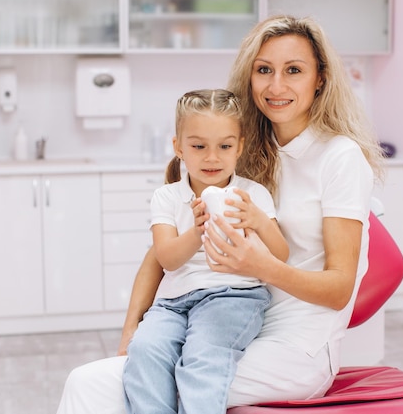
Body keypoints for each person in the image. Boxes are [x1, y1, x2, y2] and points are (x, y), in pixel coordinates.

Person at [56, 14, 385, 413]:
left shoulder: (340, 158)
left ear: (320, 78)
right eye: (264, 70)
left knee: (96, 387)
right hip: (221, 326)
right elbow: (159, 257)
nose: (276, 85)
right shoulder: (241, 155)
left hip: (296, 348)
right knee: (116, 374)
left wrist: (260, 265)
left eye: (293, 70)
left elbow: (338, 290)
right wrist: (132, 331)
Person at [122, 88, 288, 414]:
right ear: (179, 148)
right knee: (144, 349)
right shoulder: (167, 198)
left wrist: (260, 221)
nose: (212, 158)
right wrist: (197, 232)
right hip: (172, 303)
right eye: (199, 146)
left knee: (203, 357)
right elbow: (167, 258)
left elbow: (280, 254)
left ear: (239, 147)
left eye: (224, 146)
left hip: (233, 297)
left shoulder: (252, 194)